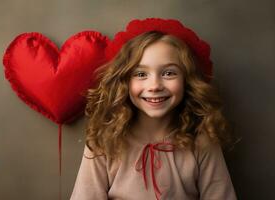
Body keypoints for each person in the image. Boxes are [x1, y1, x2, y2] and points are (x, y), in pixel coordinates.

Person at [70, 18, 237, 200]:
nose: (155, 85)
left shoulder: (202, 141)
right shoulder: (104, 141)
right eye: (141, 74)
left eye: (169, 73)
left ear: (186, 80)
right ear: (124, 81)